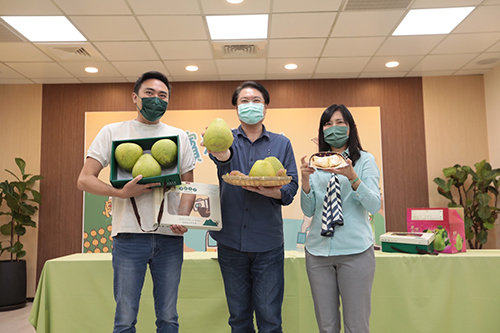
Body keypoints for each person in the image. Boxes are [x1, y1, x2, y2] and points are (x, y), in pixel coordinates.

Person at [77, 71, 195, 333]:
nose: (156, 100)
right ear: (135, 97)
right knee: (125, 317)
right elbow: (84, 179)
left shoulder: (178, 137)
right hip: (128, 237)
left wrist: (183, 218)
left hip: (169, 238)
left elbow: (189, 186)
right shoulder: (113, 132)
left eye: (163, 95)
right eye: (149, 93)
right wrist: (121, 193)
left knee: (168, 317)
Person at [204, 81, 299, 333]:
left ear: (266, 107)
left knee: (270, 318)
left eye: (256, 100)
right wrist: (217, 149)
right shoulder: (226, 140)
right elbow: (224, 159)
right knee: (238, 318)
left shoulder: (281, 143)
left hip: (268, 243)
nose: (250, 105)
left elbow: (290, 189)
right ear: (236, 108)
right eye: (244, 101)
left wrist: (273, 191)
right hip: (230, 243)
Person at [300, 104, 381, 333]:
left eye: (339, 123)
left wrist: (352, 176)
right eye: (328, 124)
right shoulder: (317, 162)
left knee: (356, 326)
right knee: (326, 327)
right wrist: (305, 181)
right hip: (318, 253)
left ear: (350, 128)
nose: (333, 128)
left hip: (355, 252)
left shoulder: (365, 160)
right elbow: (308, 210)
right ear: (322, 130)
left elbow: (374, 204)